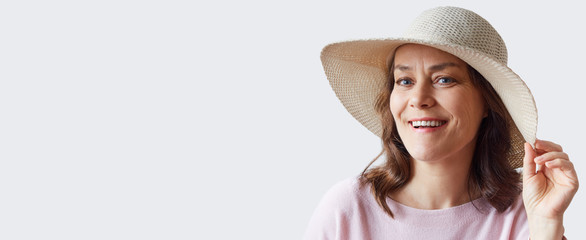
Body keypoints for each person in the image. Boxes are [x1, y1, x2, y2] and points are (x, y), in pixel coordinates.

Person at [304, 6, 578, 240]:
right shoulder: (348, 208)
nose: (418, 99)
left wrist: (545, 226)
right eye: (405, 81)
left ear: (487, 101)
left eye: (444, 79)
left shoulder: (528, 209)